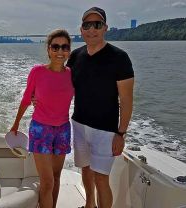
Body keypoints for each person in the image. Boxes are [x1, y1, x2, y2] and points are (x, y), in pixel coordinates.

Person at [67, 7, 135, 208]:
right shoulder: (75, 56)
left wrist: (121, 133)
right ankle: (89, 205)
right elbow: (62, 87)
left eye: (97, 25)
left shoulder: (119, 58)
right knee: (85, 171)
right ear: (81, 30)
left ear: (105, 28)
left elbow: (127, 100)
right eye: (87, 25)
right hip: (79, 124)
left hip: (105, 130)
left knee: (101, 179)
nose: (91, 29)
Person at [10, 29, 74, 208]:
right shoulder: (37, 72)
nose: (60, 51)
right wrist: (15, 125)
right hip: (41, 130)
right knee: (47, 182)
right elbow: (26, 99)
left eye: (64, 47)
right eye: (55, 47)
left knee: (56, 177)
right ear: (48, 49)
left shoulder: (72, 74)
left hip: (63, 130)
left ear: (69, 50)